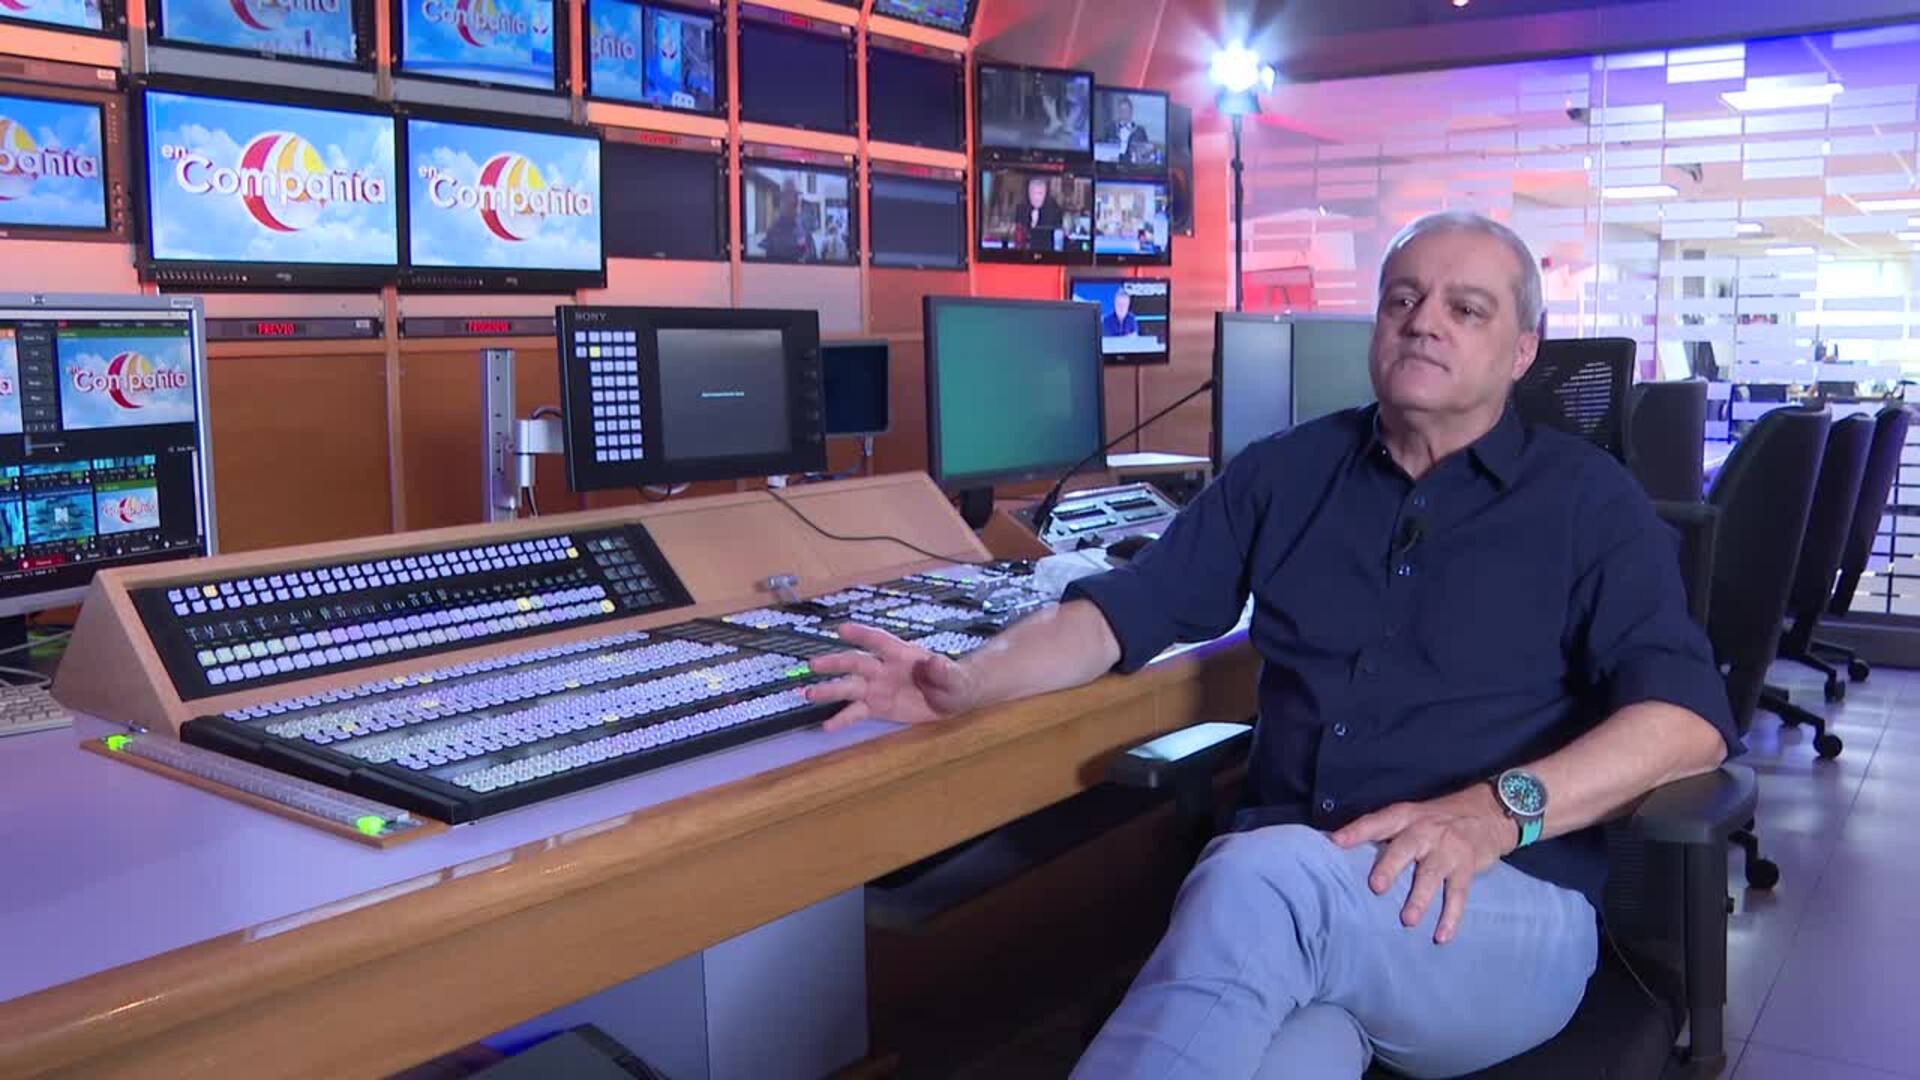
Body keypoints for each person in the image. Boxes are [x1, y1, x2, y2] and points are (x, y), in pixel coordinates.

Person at [805, 210, 1740, 1079]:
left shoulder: (1590, 502)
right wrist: (970, 681)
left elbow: (1687, 723)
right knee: (1279, 1046)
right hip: (1300, 920)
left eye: (1466, 309)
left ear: (1523, 349)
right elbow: (1123, 611)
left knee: (1262, 877)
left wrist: (1498, 811)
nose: (1423, 322)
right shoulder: (1287, 472)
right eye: (1403, 298)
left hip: (1493, 907)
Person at [1014, 175, 1064, 251]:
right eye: (1033, 193)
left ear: (1046, 193)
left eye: (1039, 193)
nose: (1036, 197)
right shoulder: (1021, 209)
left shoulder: (1055, 211)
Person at [1102, 94, 1151, 161]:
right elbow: (1104, 150)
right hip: (1113, 163)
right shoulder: (1110, 129)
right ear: (1119, 112)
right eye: (1122, 110)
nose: (1124, 113)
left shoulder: (1140, 131)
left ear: (1131, 112)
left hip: (1132, 165)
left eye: (1126, 110)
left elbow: (1146, 153)